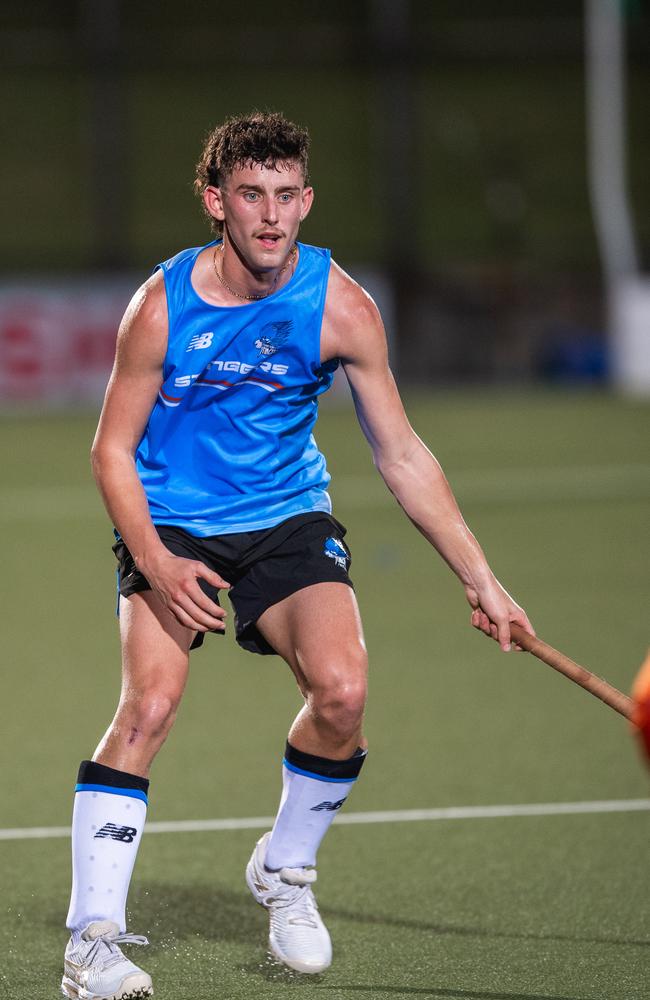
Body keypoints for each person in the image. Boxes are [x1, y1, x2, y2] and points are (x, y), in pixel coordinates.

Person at [61, 110, 534, 1000]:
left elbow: (401, 454)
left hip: (284, 515)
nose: (271, 217)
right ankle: (91, 941)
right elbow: (110, 450)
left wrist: (484, 580)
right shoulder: (162, 305)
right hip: (173, 521)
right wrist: (156, 562)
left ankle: (284, 870)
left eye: (287, 197)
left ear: (306, 201)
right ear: (217, 202)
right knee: (151, 704)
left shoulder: (342, 305)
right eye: (251, 196)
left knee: (345, 691)